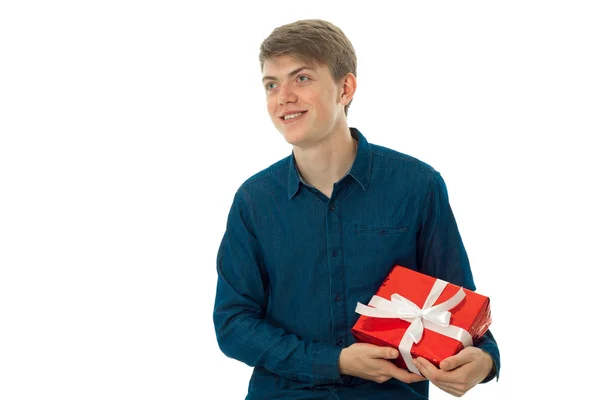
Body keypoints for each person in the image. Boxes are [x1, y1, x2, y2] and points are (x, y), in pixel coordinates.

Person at [213, 19, 500, 400]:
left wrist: (486, 361)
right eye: (271, 84)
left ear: (345, 88)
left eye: (301, 79)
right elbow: (234, 324)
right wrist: (335, 361)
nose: (283, 96)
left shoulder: (416, 186)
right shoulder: (254, 201)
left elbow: (457, 306)